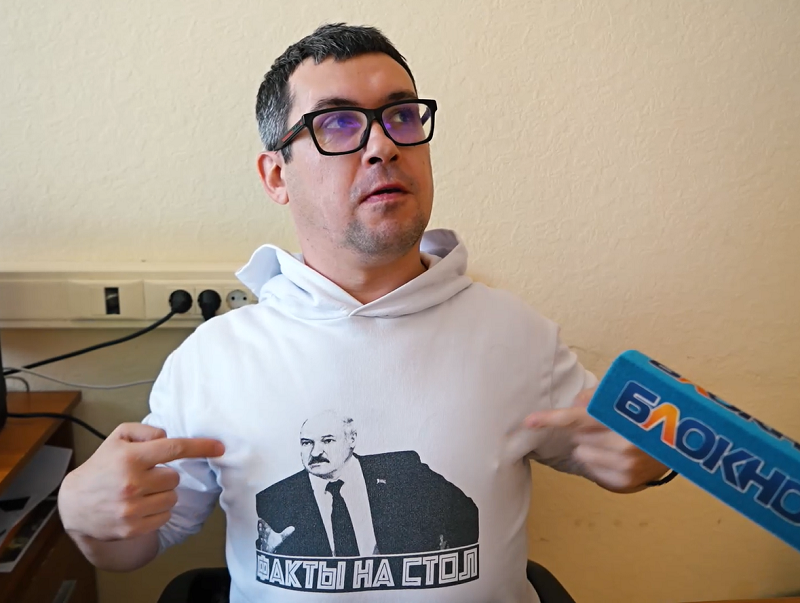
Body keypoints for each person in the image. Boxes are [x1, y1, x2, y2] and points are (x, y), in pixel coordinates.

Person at [57, 23, 671, 602]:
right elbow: (135, 544)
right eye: (338, 124)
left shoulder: (517, 335)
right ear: (276, 176)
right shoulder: (214, 360)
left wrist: (654, 455)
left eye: (402, 116)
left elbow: (628, 449)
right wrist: (85, 518)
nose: (383, 145)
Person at [255, 410, 479, 557]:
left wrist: (442, 558)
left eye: (327, 440)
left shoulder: (403, 471)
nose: (315, 452)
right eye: (307, 443)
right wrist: (269, 554)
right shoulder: (274, 499)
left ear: (351, 440)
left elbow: (465, 513)